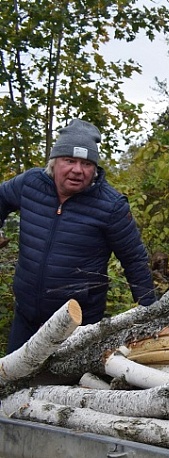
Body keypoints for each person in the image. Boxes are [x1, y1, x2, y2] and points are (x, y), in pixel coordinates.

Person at [0, 118, 157, 354]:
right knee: (11, 383)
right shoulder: (30, 184)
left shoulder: (111, 205)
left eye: (86, 163)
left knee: (64, 390)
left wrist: (151, 315)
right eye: (69, 160)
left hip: (77, 325)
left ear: (94, 169)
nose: (77, 170)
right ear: (54, 162)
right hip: (27, 318)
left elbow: (134, 260)